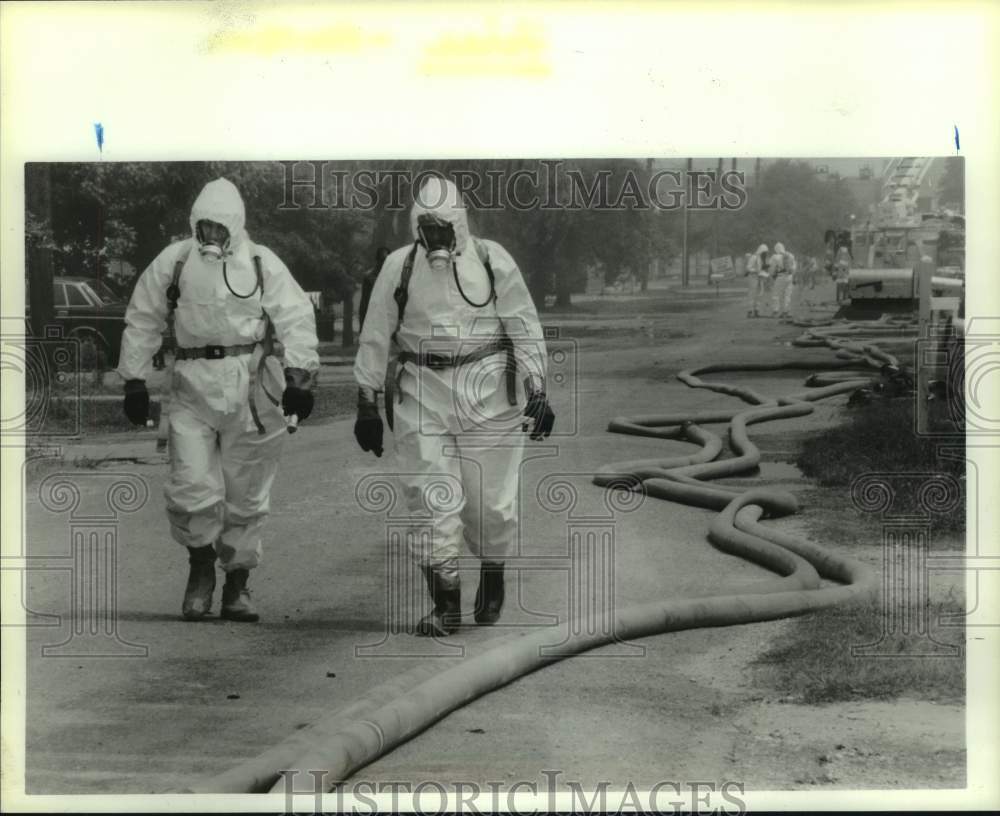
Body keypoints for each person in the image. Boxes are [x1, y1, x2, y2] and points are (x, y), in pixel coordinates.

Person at [353, 176, 554, 637]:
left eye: (442, 227)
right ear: (415, 228)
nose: (435, 237)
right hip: (422, 390)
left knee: (489, 503)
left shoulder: (490, 260)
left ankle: (492, 572)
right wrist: (367, 398)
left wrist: (538, 388)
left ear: (458, 224)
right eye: (426, 228)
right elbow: (376, 332)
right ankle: (445, 602)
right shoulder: (399, 267)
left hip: (488, 392)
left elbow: (523, 323)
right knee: (431, 497)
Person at [117, 177, 319, 623]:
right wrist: (134, 378)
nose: (210, 238)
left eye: (218, 228)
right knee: (191, 486)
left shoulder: (262, 263)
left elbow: (296, 316)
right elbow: (144, 315)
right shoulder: (177, 260)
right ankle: (201, 568)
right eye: (203, 228)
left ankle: (238, 586)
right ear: (195, 225)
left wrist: (300, 375)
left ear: (234, 225)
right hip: (191, 385)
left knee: (246, 494)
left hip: (250, 387)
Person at [358, 246, 390, 332]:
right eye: (382, 260)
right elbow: (364, 302)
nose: (384, 263)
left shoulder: (392, 276)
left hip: (387, 318)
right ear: (378, 260)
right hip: (372, 317)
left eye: (387, 260)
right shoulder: (369, 277)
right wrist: (362, 326)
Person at [771, 243, 796, 321]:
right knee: (787, 295)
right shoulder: (791, 255)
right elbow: (794, 267)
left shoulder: (775, 257)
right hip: (789, 277)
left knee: (776, 295)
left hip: (780, 277)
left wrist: (772, 275)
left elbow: (772, 268)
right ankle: (786, 312)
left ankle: (775, 311)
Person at [745, 244, 770, 318]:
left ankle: (756, 311)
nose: (765, 254)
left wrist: (765, 268)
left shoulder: (762, 258)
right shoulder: (754, 257)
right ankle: (749, 311)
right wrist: (756, 270)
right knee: (752, 294)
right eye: (764, 252)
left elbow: (761, 268)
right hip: (753, 277)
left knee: (759, 295)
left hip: (760, 277)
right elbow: (748, 268)